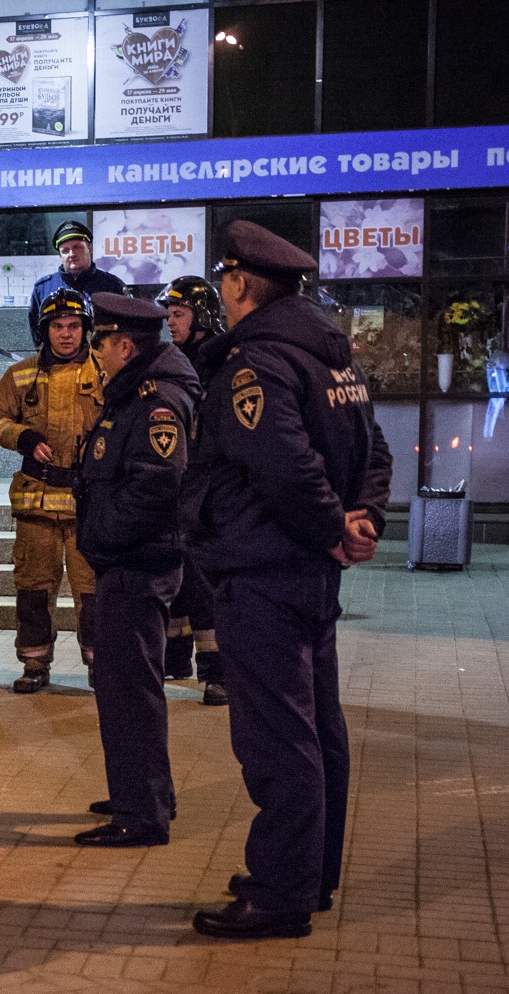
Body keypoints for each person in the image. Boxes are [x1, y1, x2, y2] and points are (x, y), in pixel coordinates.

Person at [187, 220, 391, 940]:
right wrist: (361, 518)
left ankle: (278, 893)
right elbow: (374, 446)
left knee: (279, 737)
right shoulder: (331, 355)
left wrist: (333, 527)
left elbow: (285, 466)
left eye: (222, 281)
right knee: (318, 728)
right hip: (306, 571)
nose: (219, 291)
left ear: (240, 283)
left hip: (265, 568)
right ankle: (310, 875)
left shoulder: (258, 362)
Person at [71, 294, 198, 849]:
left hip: (136, 562)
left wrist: (102, 536)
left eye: (100, 343)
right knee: (125, 686)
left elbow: (156, 483)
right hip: (129, 560)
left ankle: (141, 813)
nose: (96, 353)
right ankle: (143, 792)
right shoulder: (134, 393)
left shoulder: (155, 402)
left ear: (125, 346)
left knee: (128, 689)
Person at [0, 287, 103, 693]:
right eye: (57, 326)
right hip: (37, 503)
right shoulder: (21, 374)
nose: (66, 334)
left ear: (86, 329)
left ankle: (99, 666)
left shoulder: (106, 371)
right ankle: (34, 664)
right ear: (44, 330)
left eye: (73, 326)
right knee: (33, 589)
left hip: (90, 507)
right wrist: (22, 436)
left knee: (94, 594)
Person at [158, 275, 229, 706]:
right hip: (176, 482)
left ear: (201, 318)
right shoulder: (169, 357)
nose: (170, 321)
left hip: (208, 486)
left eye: (178, 314)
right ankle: (176, 658)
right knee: (176, 577)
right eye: (167, 313)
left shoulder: (220, 360)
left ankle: (218, 672)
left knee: (203, 583)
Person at [27, 221, 126, 343]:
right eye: (65, 250)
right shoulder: (43, 289)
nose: (71, 254)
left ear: (89, 248)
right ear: (60, 255)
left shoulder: (112, 286)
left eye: (77, 247)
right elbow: (38, 334)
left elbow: (125, 332)